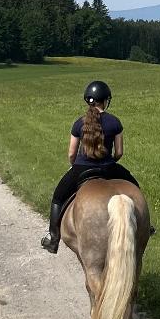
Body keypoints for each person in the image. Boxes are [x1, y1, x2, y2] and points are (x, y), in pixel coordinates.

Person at [40, 80, 142, 253]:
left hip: (81, 168)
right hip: (109, 167)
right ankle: (146, 226)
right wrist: (111, 161)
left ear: (88, 101)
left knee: (58, 197)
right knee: (135, 188)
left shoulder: (79, 123)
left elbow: (71, 153)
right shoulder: (115, 122)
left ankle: (53, 237)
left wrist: (74, 166)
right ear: (106, 100)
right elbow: (119, 152)